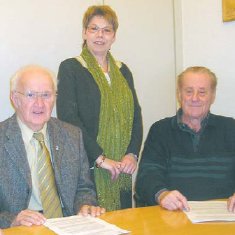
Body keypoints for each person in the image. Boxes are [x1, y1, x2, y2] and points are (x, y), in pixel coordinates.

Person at [56, 5, 143, 211]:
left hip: (120, 168)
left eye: (107, 30)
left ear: (114, 36)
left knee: (122, 223)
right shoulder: (71, 68)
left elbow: (136, 115)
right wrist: (101, 158)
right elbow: (69, 118)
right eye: (94, 29)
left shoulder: (123, 70)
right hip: (87, 166)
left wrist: (132, 154)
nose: (100, 35)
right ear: (84, 32)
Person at [0, 65, 105, 228]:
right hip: (23, 229)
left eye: (46, 95)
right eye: (30, 95)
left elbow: (84, 188)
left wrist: (85, 205)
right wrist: (11, 220)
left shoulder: (72, 135)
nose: (39, 104)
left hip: (69, 225)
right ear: (15, 99)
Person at [135, 66, 235, 212]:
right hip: (174, 217)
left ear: (212, 96)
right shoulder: (160, 130)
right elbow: (146, 176)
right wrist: (162, 195)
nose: (195, 98)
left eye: (202, 92)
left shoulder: (230, 128)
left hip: (224, 217)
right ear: (179, 94)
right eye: (189, 91)